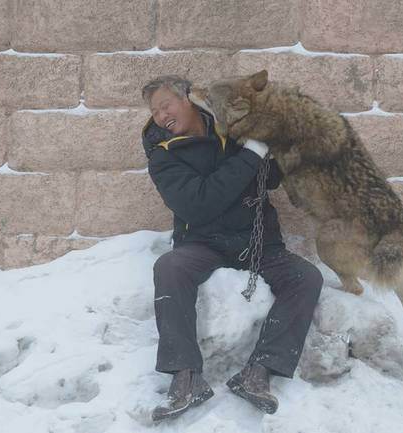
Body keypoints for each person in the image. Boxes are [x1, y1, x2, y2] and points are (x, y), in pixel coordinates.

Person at [140, 75, 323, 422]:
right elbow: (199, 204)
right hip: (202, 244)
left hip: (257, 242)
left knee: (306, 277)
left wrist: (269, 135)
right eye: (155, 111)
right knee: (170, 268)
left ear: (188, 100)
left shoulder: (232, 130)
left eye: (166, 105)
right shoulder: (163, 157)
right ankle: (185, 376)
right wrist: (251, 152)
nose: (161, 116)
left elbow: (270, 179)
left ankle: (260, 371)